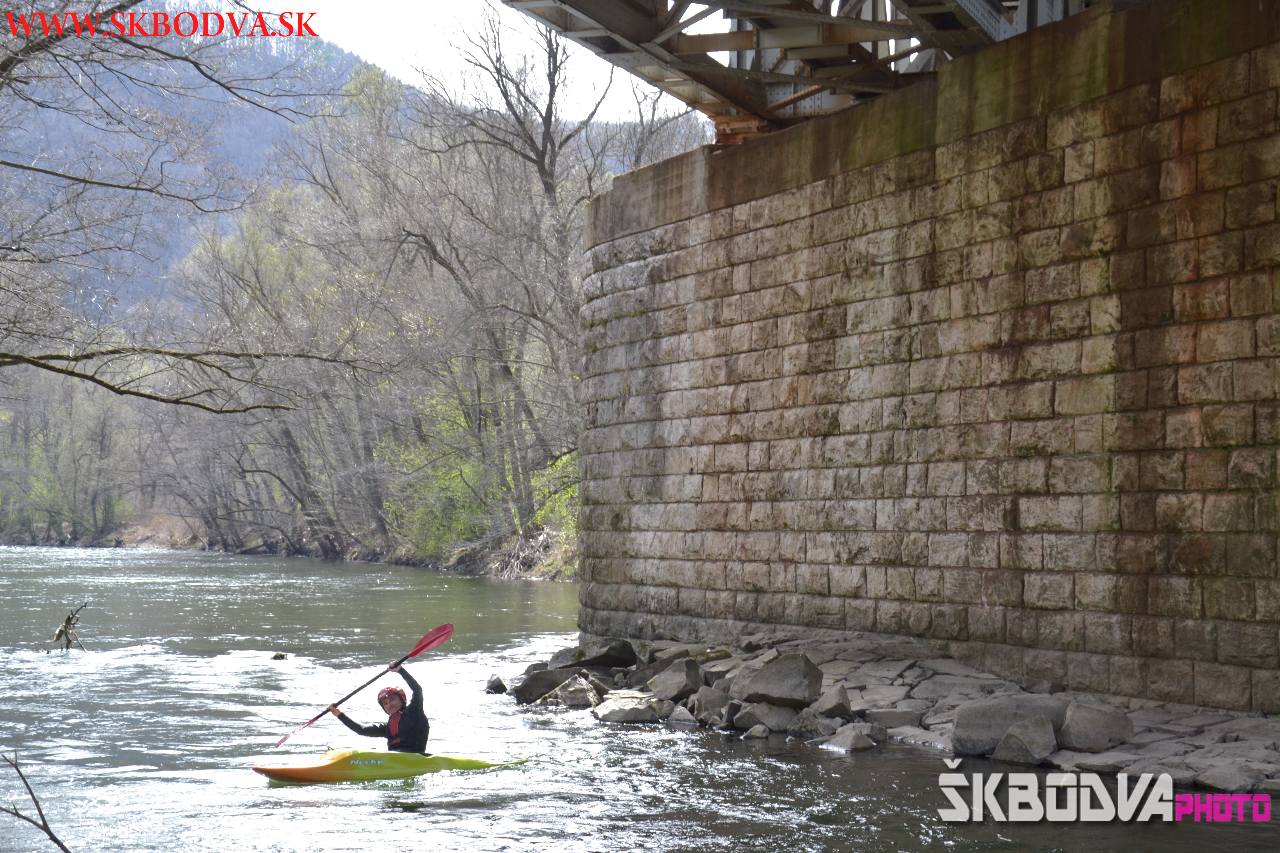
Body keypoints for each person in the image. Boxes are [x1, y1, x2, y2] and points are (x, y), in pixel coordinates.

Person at [328, 663, 429, 752]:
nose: (389, 704)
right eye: (385, 703)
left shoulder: (414, 711)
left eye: (392, 699)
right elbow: (361, 730)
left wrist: (400, 670)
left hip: (416, 757)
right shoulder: (388, 727)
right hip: (394, 760)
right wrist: (338, 714)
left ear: (402, 699)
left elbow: (417, 690)